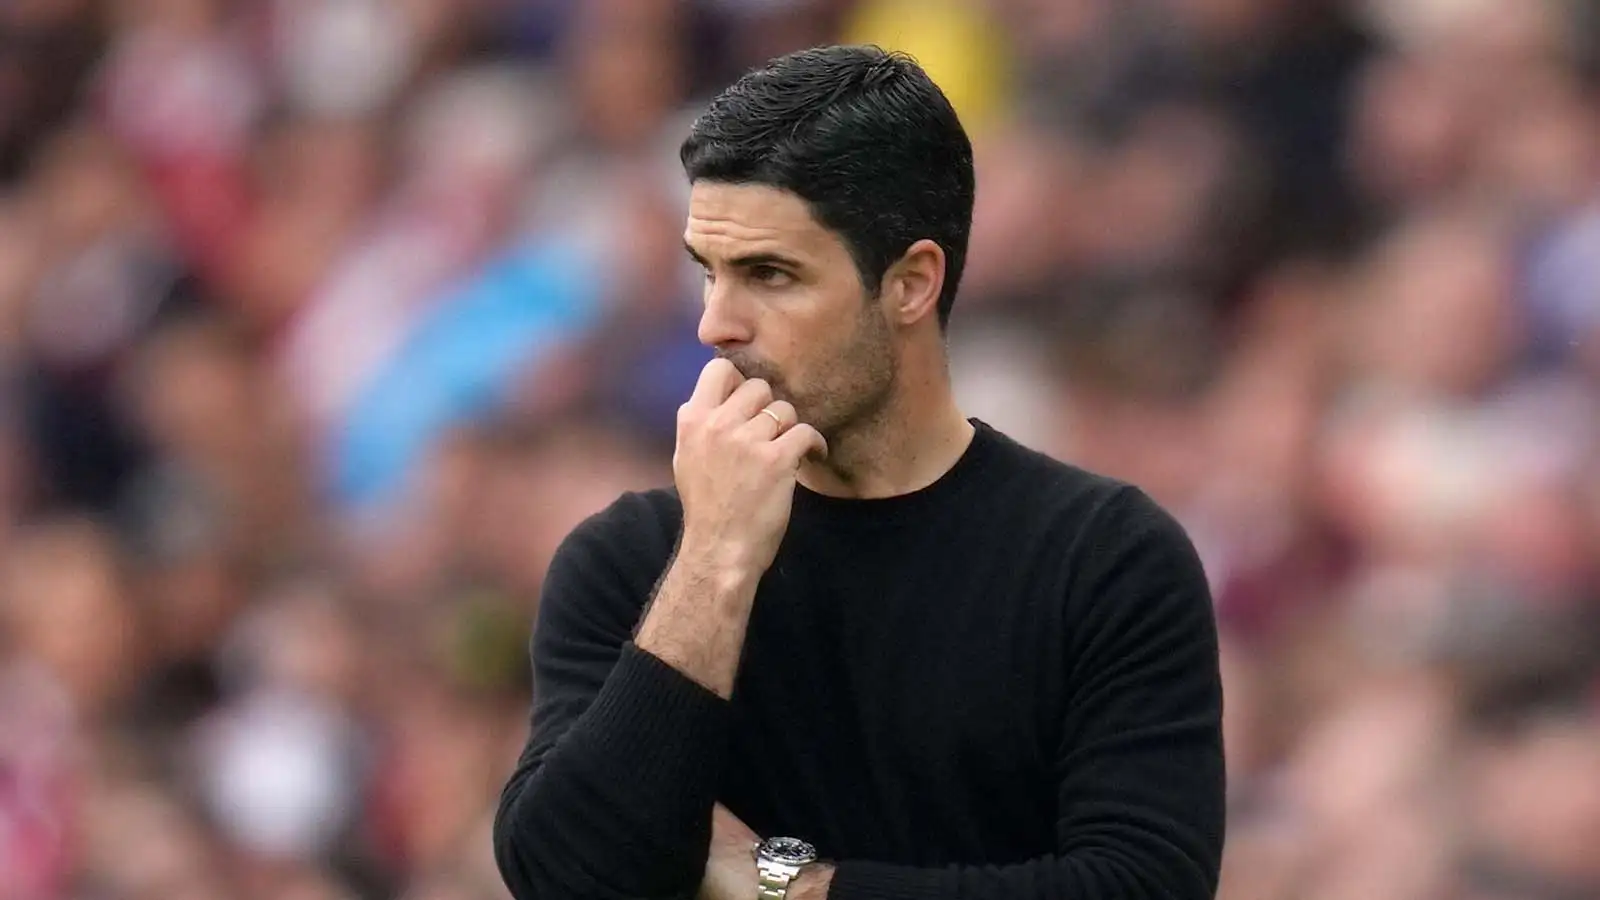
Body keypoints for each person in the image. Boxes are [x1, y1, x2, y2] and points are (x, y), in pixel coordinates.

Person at [493, 44, 1225, 900]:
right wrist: (715, 561)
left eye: (770, 274)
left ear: (911, 284)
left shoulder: (1102, 557)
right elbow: (565, 878)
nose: (716, 326)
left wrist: (783, 884)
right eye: (709, 274)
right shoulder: (634, 557)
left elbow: (1142, 886)